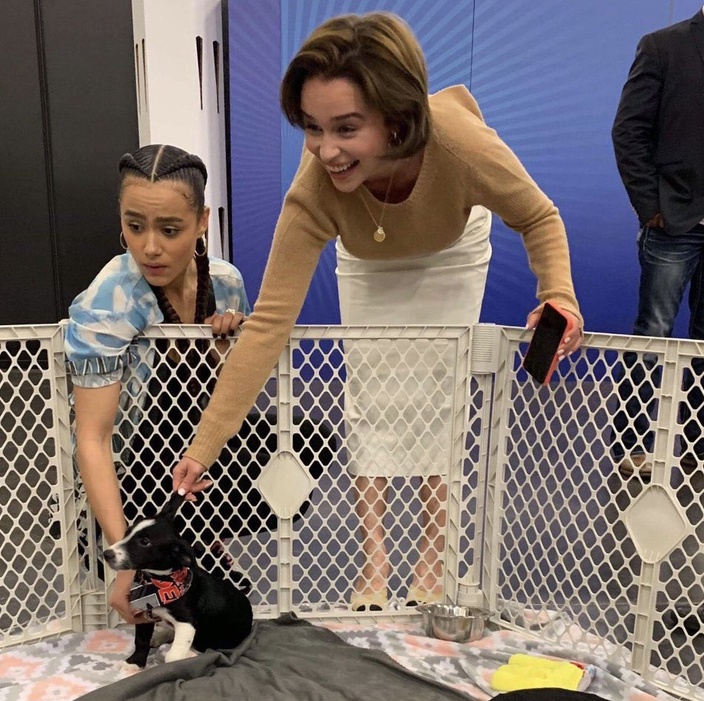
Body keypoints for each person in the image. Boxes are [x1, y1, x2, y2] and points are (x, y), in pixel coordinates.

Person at [172, 12, 584, 611]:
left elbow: (538, 216)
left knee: (442, 389)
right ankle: (374, 563)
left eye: (346, 128)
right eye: (312, 128)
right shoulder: (316, 187)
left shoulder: (460, 145)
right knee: (371, 390)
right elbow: (268, 326)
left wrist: (558, 294)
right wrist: (203, 446)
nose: (326, 150)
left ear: (396, 119)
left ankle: (432, 557)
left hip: (451, 246)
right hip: (367, 253)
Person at [65, 144, 249, 625]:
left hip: (196, 463)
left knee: (309, 439)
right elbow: (94, 439)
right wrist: (125, 557)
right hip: (132, 476)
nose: (149, 247)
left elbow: (236, 398)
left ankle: (206, 536)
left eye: (169, 230)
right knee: (173, 611)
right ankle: (153, 550)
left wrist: (225, 350)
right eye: (135, 226)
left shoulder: (226, 283)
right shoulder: (110, 300)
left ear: (202, 221)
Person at [612, 0, 704, 481]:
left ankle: (703, 446)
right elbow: (629, 132)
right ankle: (632, 445)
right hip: (675, 221)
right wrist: (651, 206)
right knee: (653, 332)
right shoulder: (664, 47)